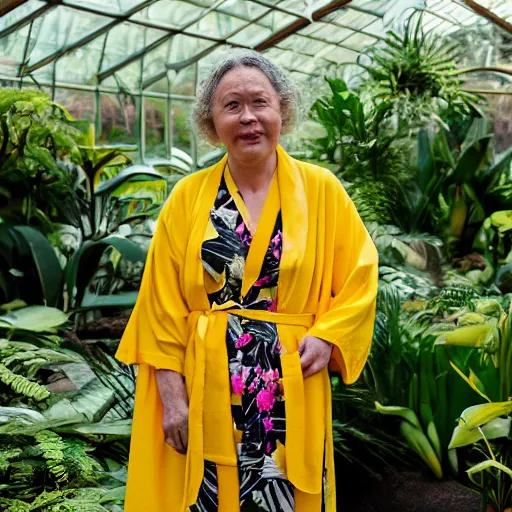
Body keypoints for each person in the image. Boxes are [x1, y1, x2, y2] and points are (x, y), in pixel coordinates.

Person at [115, 50, 378, 512]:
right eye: (231, 106)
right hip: (204, 384)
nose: (248, 117)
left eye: (260, 102)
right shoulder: (187, 198)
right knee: (206, 496)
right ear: (211, 121)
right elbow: (160, 306)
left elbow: (360, 275)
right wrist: (172, 398)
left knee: (287, 497)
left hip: (289, 382)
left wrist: (328, 335)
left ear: (282, 110)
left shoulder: (322, 191)